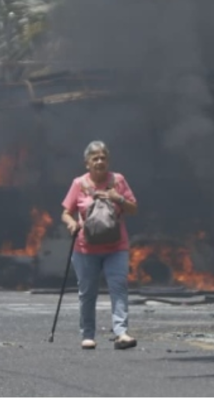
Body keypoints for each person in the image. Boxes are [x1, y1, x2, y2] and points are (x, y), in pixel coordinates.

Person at [61, 140, 139, 351]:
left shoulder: (119, 180)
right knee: (87, 292)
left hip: (116, 247)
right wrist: (71, 223)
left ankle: (121, 332)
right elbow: (66, 212)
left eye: (103, 157)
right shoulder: (79, 184)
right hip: (85, 248)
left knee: (118, 287)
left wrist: (118, 198)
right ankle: (87, 334)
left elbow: (133, 209)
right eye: (94, 158)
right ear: (87, 163)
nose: (99, 161)